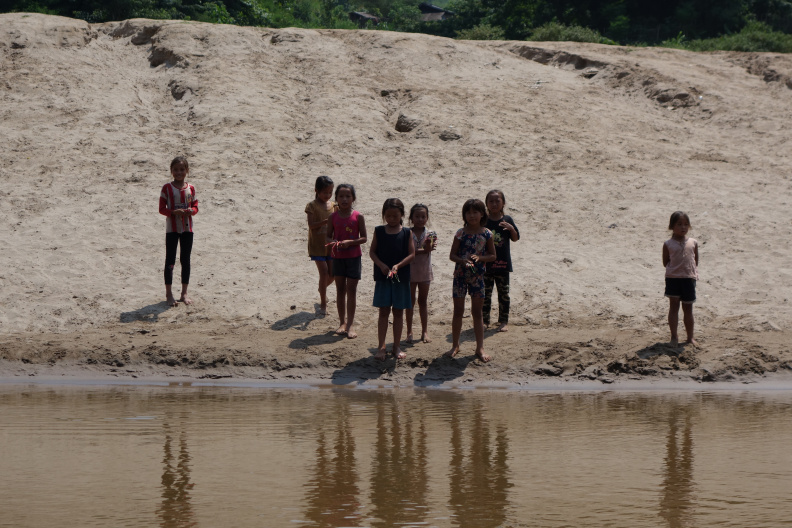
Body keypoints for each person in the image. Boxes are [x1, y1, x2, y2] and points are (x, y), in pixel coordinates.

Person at [445, 199, 496, 362]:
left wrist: (480, 258)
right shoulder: (460, 233)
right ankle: (455, 345)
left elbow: (492, 255)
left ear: (482, 214)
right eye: (468, 212)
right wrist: (462, 260)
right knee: (458, 312)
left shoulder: (487, 233)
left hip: (478, 277)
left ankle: (480, 348)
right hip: (460, 277)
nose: (472, 215)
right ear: (464, 215)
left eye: (475, 212)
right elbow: (452, 255)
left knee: (477, 313)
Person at [370, 198, 415, 361]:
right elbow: (372, 252)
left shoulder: (407, 232)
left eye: (395, 216)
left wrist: (398, 266)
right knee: (383, 311)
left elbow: (412, 254)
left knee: (398, 312)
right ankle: (381, 346)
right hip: (383, 278)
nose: (391, 219)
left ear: (401, 214)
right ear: (384, 215)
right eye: (388, 216)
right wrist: (381, 265)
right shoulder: (379, 231)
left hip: (400, 278)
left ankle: (396, 346)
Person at [326, 184, 367, 339]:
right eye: (341, 196)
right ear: (336, 198)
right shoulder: (333, 217)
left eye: (348, 196)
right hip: (338, 258)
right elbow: (328, 237)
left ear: (353, 198)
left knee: (351, 291)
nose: (344, 199)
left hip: (354, 257)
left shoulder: (358, 216)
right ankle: (342, 322)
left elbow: (364, 238)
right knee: (340, 290)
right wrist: (334, 242)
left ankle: (350, 324)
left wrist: (350, 242)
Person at [159, 156, 198, 307]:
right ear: (171, 171)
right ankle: (169, 294)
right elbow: (162, 209)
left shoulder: (191, 188)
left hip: (187, 229)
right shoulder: (167, 188)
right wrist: (174, 212)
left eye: (182, 169)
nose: (179, 172)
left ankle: (184, 293)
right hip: (172, 230)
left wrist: (190, 211)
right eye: (176, 170)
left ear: (187, 171)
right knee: (170, 260)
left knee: (185, 260)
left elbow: (195, 207)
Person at [483, 190, 520, 332]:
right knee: (485, 294)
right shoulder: (484, 220)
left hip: (503, 264)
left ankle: (503, 321)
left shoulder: (507, 219)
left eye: (497, 201)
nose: (494, 204)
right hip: (486, 264)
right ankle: (484, 321)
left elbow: (515, 238)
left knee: (503, 294)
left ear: (503, 203)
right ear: (486, 204)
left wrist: (511, 229)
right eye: (491, 201)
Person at [662, 211, 699, 347]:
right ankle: (674, 337)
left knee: (688, 309)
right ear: (672, 226)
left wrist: (688, 272)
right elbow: (665, 262)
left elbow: (695, 261)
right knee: (674, 307)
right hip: (673, 279)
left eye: (686, 224)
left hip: (688, 279)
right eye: (679, 224)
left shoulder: (693, 242)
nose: (683, 227)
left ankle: (690, 337)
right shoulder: (668, 244)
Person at [305, 176, 337, 315]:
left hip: (330, 246)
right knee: (324, 273)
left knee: (333, 274)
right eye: (325, 192)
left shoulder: (334, 206)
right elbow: (311, 225)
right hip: (317, 246)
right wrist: (325, 222)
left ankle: (321, 288)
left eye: (330, 192)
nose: (328, 195)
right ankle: (323, 303)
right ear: (316, 191)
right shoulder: (311, 206)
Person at [405, 203, 436, 344]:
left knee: (423, 301)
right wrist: (423, 250)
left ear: (427, 218)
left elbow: (427, 249)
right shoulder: (407, 233)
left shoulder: (430, 233)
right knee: (410, 302)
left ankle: (424, 331)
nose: (420, 219)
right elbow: (410, 251)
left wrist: (421, 250)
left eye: (423, 216)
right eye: (417, 216)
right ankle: (409, 331)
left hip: (424, 272)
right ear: (411, 218)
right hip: (410, 272)